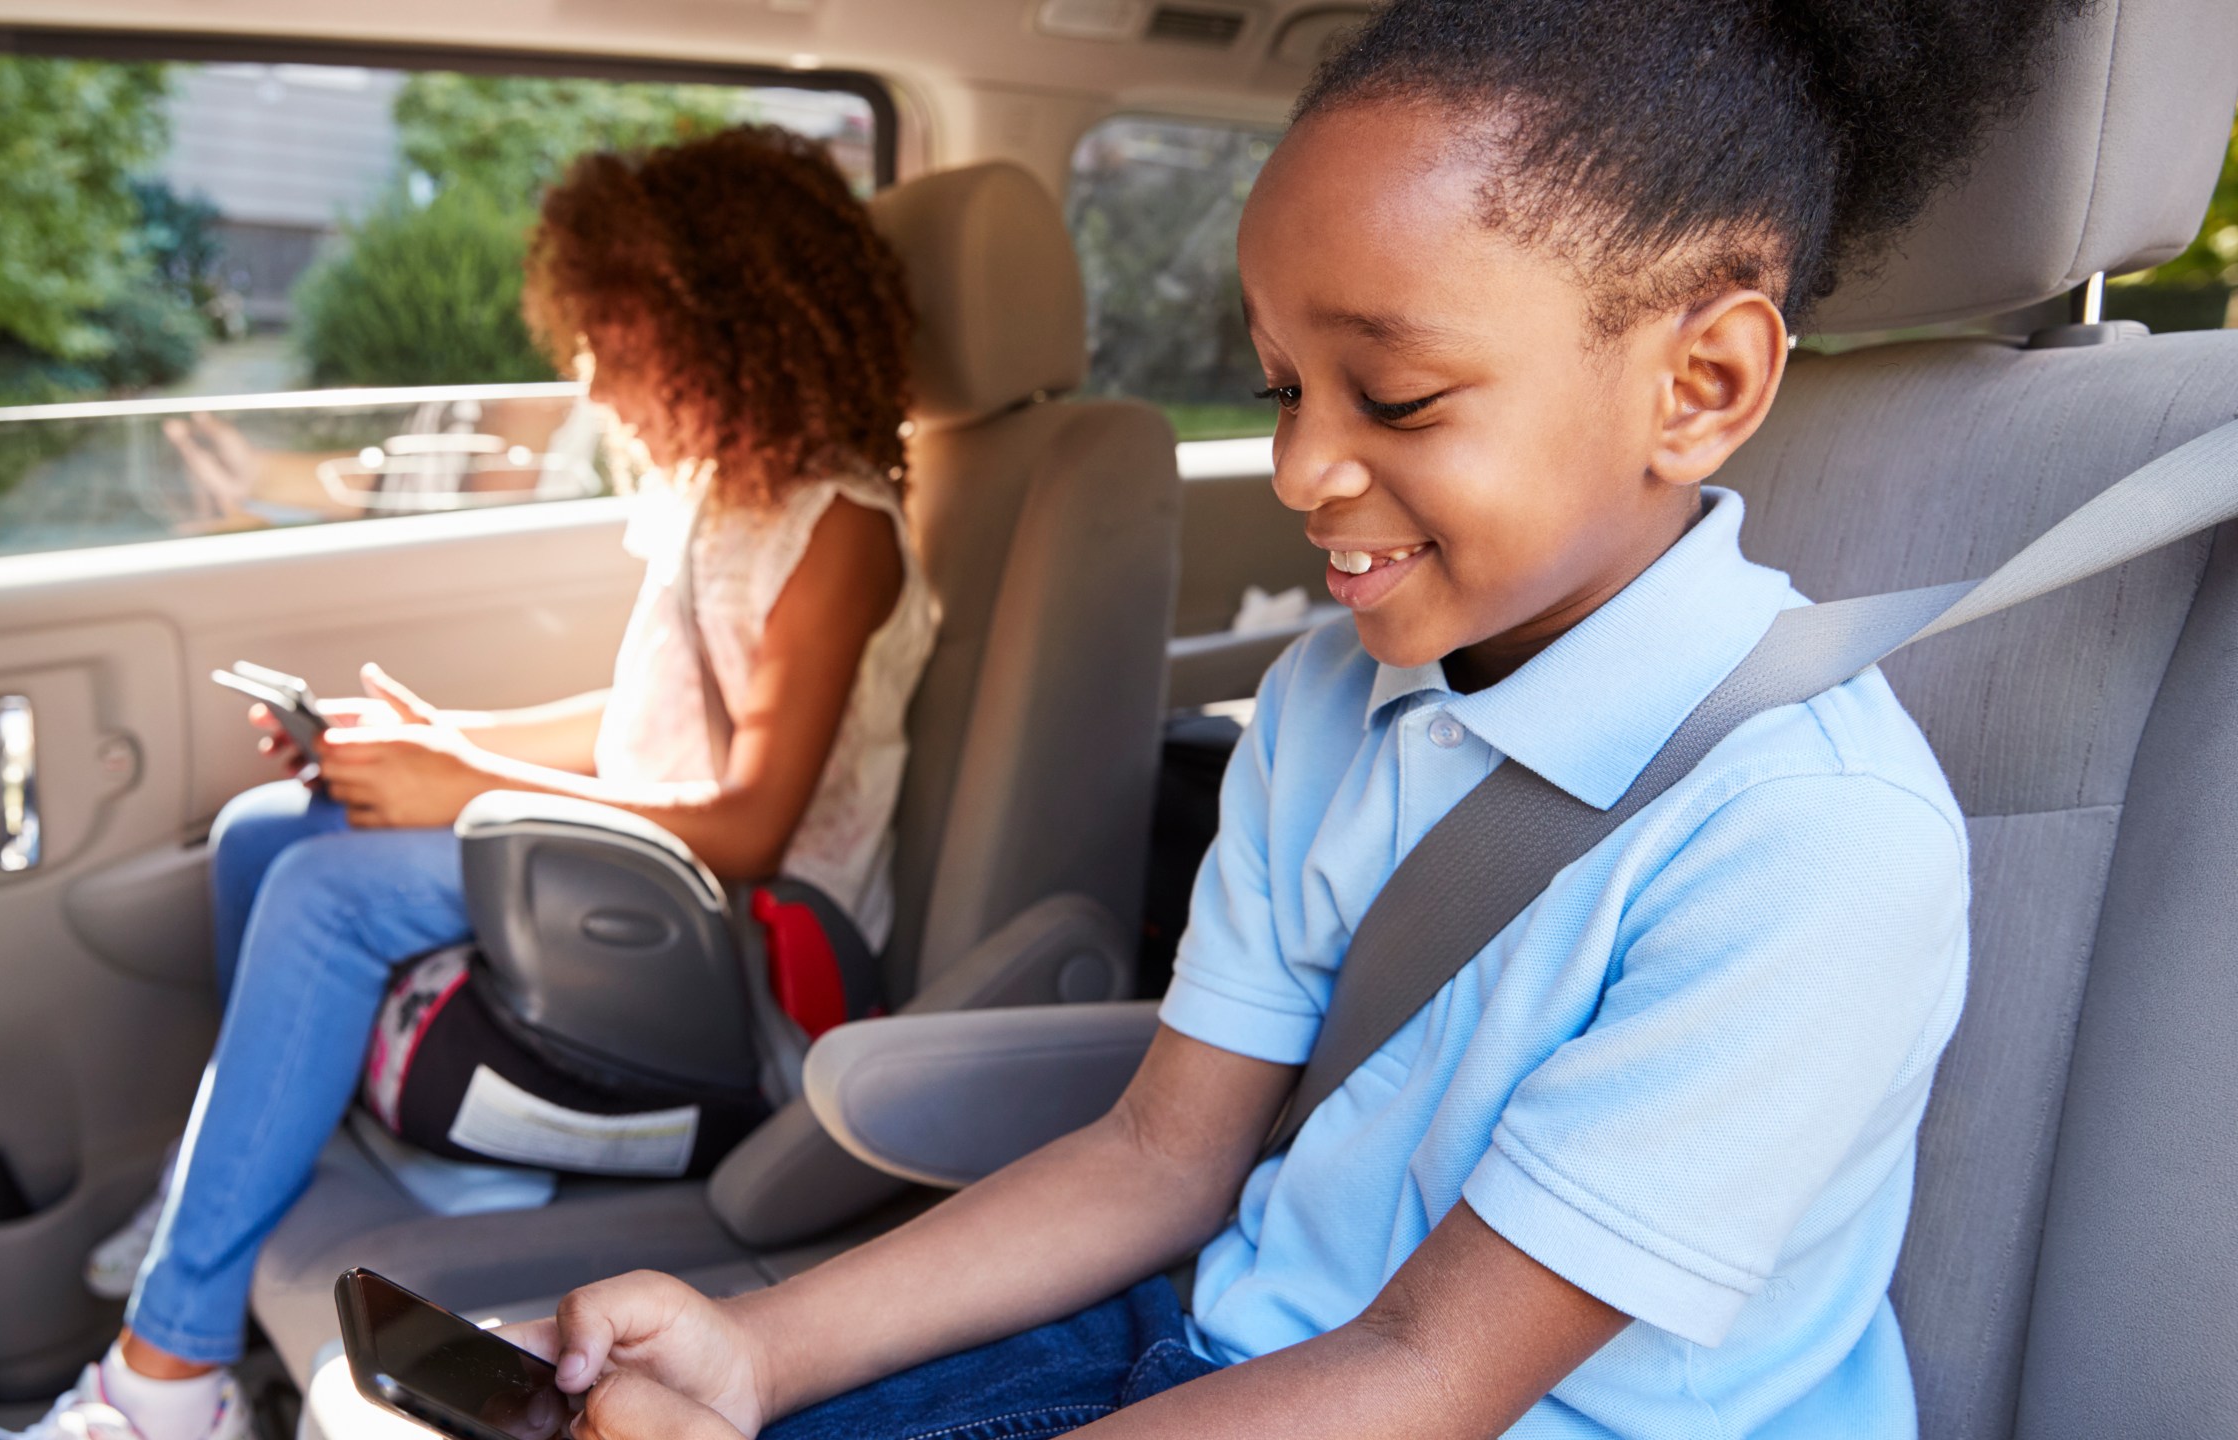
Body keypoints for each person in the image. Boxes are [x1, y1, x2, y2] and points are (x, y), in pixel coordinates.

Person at [505, 3, 2088, 1437]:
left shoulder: (1809, 840)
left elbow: (1428, 1369)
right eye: (1280, 390)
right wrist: (758, 1353)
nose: (1298, 470)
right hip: (1221, 1347)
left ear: (1701, 384)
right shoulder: (1337, 696)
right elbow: (1158, 1159)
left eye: (1392, 400)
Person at [3, 124, 934, 1440]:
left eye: (622, 345)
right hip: (641, 879)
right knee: (277, 828)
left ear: (732, 325)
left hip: (736, 952)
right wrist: (443, 737)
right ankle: (226, 1177)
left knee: (328, 895)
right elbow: (647, 714)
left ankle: (166, 1381)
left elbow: (750, 822)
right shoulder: (721, 497)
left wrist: (466, 782)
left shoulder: (839, 528)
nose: (597, 386)